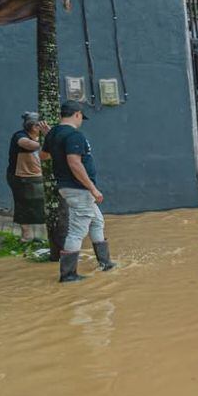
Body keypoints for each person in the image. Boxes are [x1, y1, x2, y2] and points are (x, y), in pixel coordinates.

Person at [44, 100, 115, 282]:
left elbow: (43, 155)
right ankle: (68, 275)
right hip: (79, 189)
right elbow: (74, 163)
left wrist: (51, 140)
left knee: (97, 221)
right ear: (77, 114)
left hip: (69, 188)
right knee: (77, 231)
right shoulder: (74, 135)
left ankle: (105, 263)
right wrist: (93, 188)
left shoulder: (53, 134)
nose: (81, 120)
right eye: (81, 117)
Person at [6, 112, 50, 242]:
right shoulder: (20, 136)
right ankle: (26, 236)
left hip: (36, 175)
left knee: (41, 204)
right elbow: (28, 144)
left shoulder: (41, 137)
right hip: (19, 177)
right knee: (23, 204)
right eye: (40, 125)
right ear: (34, 126)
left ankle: (46, 236)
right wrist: (51, 141)